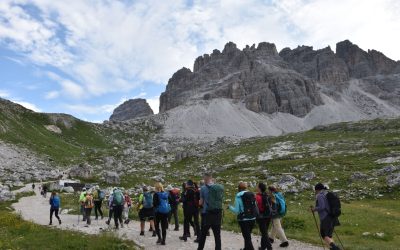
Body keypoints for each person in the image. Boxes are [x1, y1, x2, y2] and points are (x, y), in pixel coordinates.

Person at [197, 173, 224, 250]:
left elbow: (201, 202)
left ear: (205, 179)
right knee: (217, 235)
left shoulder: (203, 188)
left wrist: (200, 203)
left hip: (207, 214)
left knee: (203, 234)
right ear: (211, 178)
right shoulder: (218, 188)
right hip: (218, 214)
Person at [311, 183, 341, 250]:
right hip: (332, 216)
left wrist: (314, 209)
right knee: (329, 235)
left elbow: (322, 207)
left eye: (315, 190)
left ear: (317, 189)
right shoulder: (327, 194)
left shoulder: (320, 195)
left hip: (326, 217)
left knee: (324, 234)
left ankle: (335, 248)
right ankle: (332, 247)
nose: (315, 191)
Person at [228, 181, 257, 250]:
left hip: (244, 219)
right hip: (252, 218)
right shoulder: (251, 194)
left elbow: (237, 211)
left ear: (239, 188)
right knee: (247, 236)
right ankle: (246, 248)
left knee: (247, 237)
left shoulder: (238, 196)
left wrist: (230, 207)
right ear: (246, 188)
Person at [255, 183, 273, 250]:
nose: (256, 187)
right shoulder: (267, 195)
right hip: (268, 216)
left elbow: (257, 208)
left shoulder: (257, 197)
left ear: (259, 188)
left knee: (264, 233)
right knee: (265, 232)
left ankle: (269, 247)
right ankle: (263, 247)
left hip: (261, 217)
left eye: (257, 187)